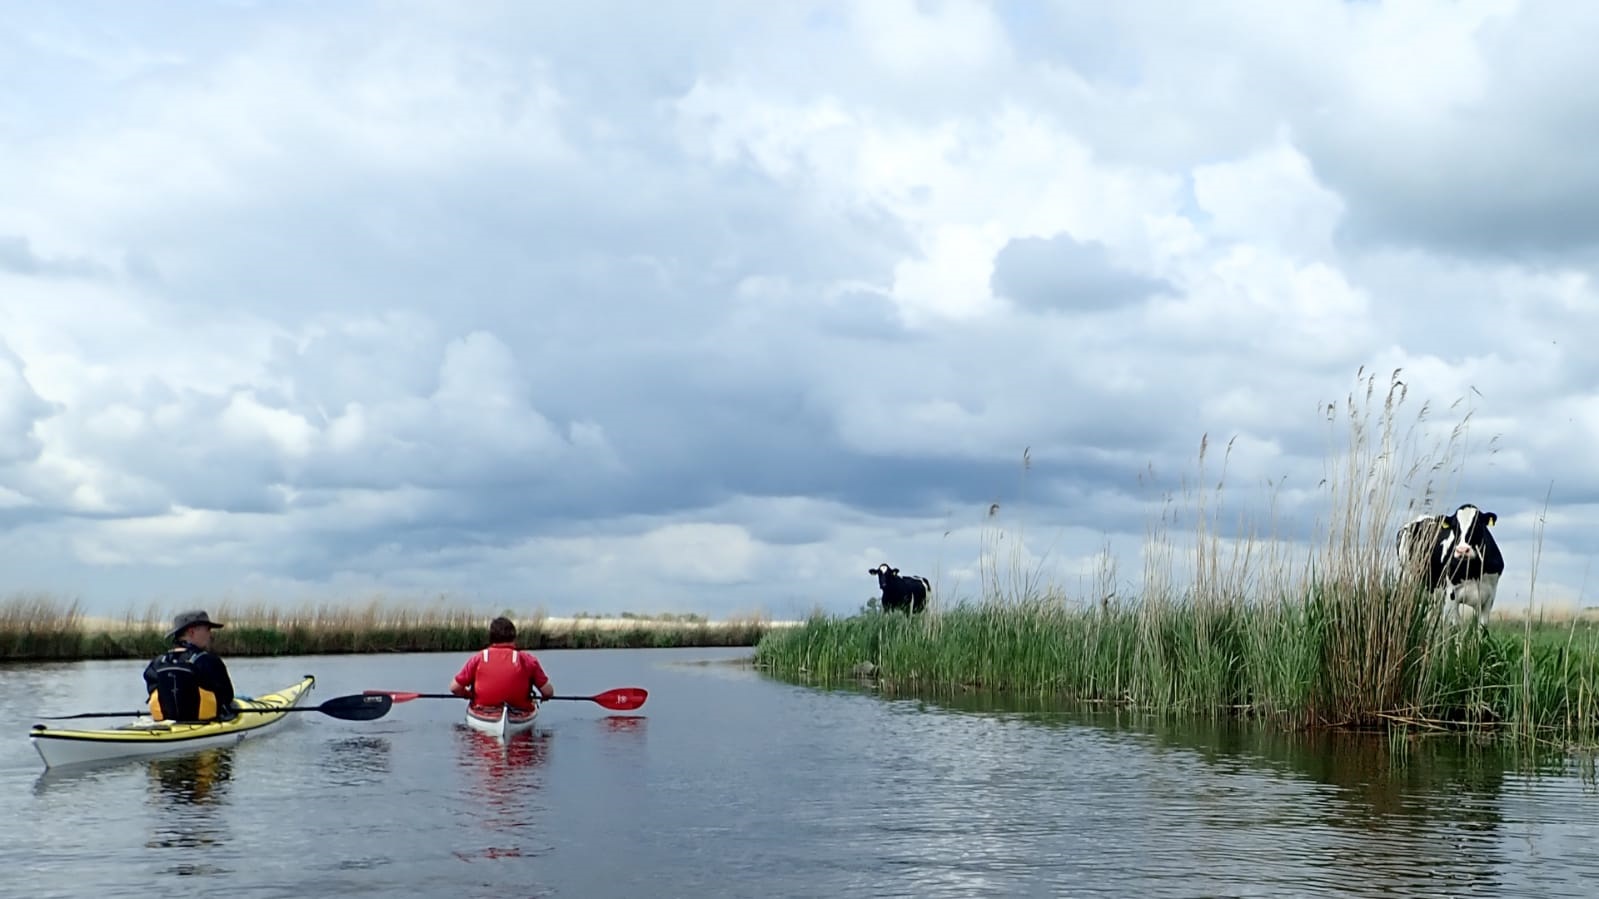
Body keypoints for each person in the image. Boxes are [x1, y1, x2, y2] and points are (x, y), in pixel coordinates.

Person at [144, 610, 238, 722]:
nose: (210, 634)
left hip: (166, 724)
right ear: (192, 632)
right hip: (203, 724)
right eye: (207, 629)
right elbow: (227, 696)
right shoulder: (208, 661)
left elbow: (152, 691)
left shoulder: (157, 663)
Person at [449, 616, 554, 711]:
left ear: (491, 637)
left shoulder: (478, 659)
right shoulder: (527, 660)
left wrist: (469, 695)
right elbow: (548, 692)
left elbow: (455, 688)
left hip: (483, 710)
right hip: (520, 711)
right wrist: (544, 697)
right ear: (513, 637)